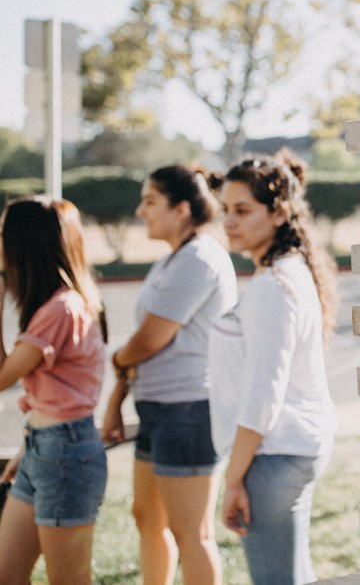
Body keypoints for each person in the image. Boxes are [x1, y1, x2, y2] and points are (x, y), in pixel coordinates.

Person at [101, 165, 237, 585]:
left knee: (192, 533)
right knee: (147, 517)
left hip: (189, 411)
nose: (141, 211)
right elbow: (142, 347)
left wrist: (118, 358)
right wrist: (116, 397)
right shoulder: (174, 259)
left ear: (181, 210)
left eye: (150, 201)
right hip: (159, 408)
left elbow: (149, 340)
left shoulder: (199, 259)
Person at [208, 151, 339, 585]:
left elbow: (263, 396)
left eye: (243, 210)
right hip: (286, 450)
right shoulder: (289, 271)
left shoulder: (273, 287)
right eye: (226, 210)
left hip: (272, 456)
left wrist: (233, 479)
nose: (230, 221)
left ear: (279, 212)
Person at [0, 197, 108, 584]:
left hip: (65, 455)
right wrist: (27, 448)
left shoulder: (62, 309)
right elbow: (51, 398)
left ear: (24, 242)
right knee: (4, 577)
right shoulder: (56, 306)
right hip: (44, 448)